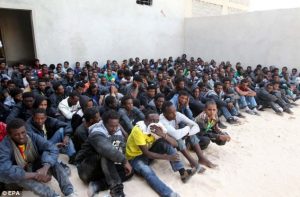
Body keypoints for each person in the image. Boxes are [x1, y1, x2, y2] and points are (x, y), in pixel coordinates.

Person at [126, 110, 196, 197]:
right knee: (147, 171)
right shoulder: (138, 130)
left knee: (165, 144)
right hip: (135, 158)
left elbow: (175, 144)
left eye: (156, 120)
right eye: (152, 120)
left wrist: (163, 135)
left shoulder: (158, 126)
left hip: (148, 152)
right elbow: (147, 153)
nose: (154, 123)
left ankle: (183, 172)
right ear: (145, 120)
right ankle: (168, 194)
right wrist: (167, 157)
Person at [0, 118, 75, 197]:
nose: (21, 136)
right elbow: (6, 170)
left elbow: (52, 148)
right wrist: (36, 175)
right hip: (16, 181)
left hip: (31, 167)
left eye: (23, 132)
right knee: (16, 174)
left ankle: (69, 192)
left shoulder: (31, 136)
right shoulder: (4, 146)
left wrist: (45, 168)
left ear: (26, 130)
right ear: (10, 135)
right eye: (16, 135)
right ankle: (52, 195)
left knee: (51, 160)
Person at [75, 110, 133, 197]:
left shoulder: (116, 131)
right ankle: (116, 190)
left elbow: (120, 150)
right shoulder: (96, 132)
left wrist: (123, 163)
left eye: (116, 126)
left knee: (130, 171)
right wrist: (124, 161)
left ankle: (97, 185)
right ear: (104, 123)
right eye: (111, 126)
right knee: (107, 154)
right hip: (86, 170)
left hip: (102, 168)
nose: (114, 129)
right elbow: (107, 150)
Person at [160, 101, 216, 169]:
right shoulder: (162, 121)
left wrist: (188, 133)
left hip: (177, 138)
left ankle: (201, 158)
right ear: (164, 114)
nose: (174, 114)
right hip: (165, 142)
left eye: (175, 111)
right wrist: (188, 128)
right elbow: (177, 135)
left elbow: (196, 126)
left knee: (191, 135)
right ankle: (192, 162)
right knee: (179, 138)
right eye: (171, 113)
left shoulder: (177, 114)